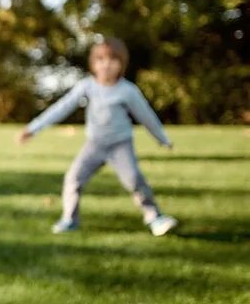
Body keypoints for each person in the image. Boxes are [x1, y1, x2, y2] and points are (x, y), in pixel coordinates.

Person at [17, 37, 178, 236]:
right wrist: (33, 128)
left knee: (134, 180)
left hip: (120, 145)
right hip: (95, 145)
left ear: (121, 64)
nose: (106, 65)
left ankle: (154, 217)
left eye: (112, 60)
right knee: (73, 178)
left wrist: (162, 138)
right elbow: (62, 108)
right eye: (100, 60)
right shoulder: (87, 87)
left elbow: (146, 116)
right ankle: (69, 219)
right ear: (93, 64)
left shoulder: (128, 91)